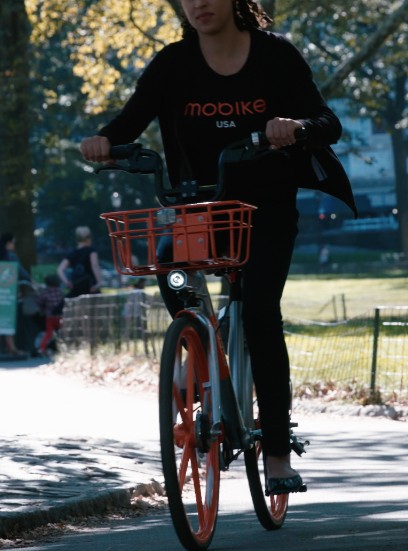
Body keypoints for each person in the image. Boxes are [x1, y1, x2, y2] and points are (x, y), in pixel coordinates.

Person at [79, 0, 355, 495]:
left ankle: (274, 453)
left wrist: (295, 127)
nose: (198, 3)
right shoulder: (172, 65)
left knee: (261, 316)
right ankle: (198, 345)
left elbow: (327, 121)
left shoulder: (275, 56)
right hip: (201, 209)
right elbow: (128, 123)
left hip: (266, 210)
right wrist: (102, 141)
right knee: (167, 262)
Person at [0, 232, 30, 356]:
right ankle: (7, 347)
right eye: (13, 242)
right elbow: (21, 271)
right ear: (8, 243)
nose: (14, 245)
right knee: (8, 318)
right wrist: (32, 281)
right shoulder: (11, 257)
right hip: (8, 294)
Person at [57, 225, 103, 298]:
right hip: (91, 288)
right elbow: (95, 265)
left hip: (76, 288)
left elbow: (60, 269)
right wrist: (99, 282)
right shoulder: (91, 251)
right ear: (89, 238)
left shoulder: (72, 253)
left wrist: (67, 282)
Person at [36, 273, 65, 356]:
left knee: (48, 333)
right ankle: (63, 347)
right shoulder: (59, 291)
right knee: (62, 332)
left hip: (50, 316)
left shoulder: (45, 292)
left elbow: (39, 302)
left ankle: (42, 348)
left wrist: (43, 309)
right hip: (60, 315)